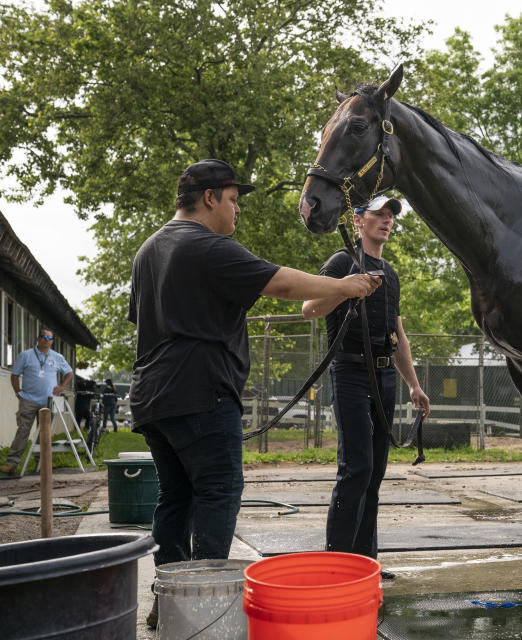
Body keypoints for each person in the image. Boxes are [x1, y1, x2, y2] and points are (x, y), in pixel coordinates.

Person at [129, 159, 380, 627]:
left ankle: (167, 600)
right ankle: (203, 606)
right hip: (201, 393)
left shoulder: (151, 249)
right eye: (233, 201)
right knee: (218, 493)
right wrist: (345, 287)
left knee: (175, 497)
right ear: (210, 199)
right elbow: (281, 283)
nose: (236, 211)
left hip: (152, 396)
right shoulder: (207, 245)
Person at [302, 194, 430, 578]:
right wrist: (345, 287)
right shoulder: (343, 262)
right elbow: (309, 308)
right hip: (351, 372)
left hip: (385, 375)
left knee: (375, 471)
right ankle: (336, 565)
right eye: (379, 213)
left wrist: (414, 385)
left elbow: (398, 334)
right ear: (357, 221)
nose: (387, 220)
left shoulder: (389, 273)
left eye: (391, 215)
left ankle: (364, 562)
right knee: (356, 468)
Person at [1, 329, 73, 476]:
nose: (46, 340)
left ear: (52, 341)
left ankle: (42, 462)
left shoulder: (57, 357)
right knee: (23, 431)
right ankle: (11, 463)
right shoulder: (25, 355)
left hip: (48, 401)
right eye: (44, 337)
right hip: (28, 400)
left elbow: (69, 372)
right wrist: (18, 393)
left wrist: (62, 386)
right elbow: (14, 375)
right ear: (37, 338)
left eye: (49, 338)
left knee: (45, 433)